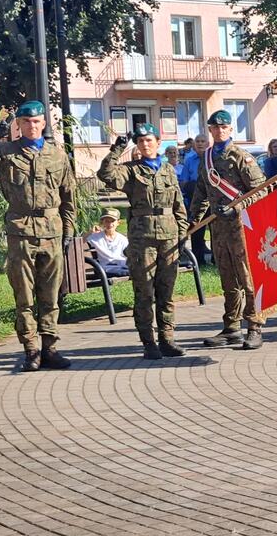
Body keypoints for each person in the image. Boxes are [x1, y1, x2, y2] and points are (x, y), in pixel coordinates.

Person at [0, 101, 76, 372]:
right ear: (19, 126)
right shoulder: (5, 152)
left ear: (43, 123)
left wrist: (69, 230)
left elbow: (68, 196)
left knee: (51, 295)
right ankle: (31, 350)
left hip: (52, 230)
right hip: (21, 231)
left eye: (37, 121)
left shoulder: (57, 154)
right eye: (26, 122)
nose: (32, 126)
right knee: (24, 296)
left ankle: (50, 347)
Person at [96, 125, 190, 359]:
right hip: (142, 239)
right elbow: (106, 175)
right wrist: (117, 149)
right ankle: (148, 341)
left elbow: (178, 205)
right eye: (140, 141)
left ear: (158, 142)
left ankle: (167, 339)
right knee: (144, 291)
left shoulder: (168, 170)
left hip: (169, 237)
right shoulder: (130, 171)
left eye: (149, 140)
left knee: (166, 291)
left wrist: (182, 233)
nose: (145, 144)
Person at [188, 110, 268, 350]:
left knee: (248, 278)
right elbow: (202, 192)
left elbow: (261, 190)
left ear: (230, 130)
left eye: (224, 127)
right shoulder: (206, 158)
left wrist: (238, 207)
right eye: (215, 127)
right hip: (218, 228)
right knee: (227, 279)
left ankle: (254, 326)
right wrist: (194, 218)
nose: (219, 130)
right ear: (210, 130)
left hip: (242, 226)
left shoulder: (242, 157)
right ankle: (231, 327)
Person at [179, 133, 212, 264]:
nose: (200, 143)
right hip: (195, 199)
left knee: (216, 231)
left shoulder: (213, 159)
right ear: (194, 145)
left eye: (203, 141)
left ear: (208, 144)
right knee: (196, 229)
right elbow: (183, 181)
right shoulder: (189, 160)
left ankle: (216, 258)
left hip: (212, 199)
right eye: (197, 141)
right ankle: (198, 259)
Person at [87, 209, 130, 276]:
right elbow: (79, 242)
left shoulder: (122, 239)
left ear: (118, 223)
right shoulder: (96, 237)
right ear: (102, 222)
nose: (110, 224)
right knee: (132, 272)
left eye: (112, 221)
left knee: (136, 269)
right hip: (106, 268)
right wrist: (89, 232)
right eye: (107, 221)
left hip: (121, 266)